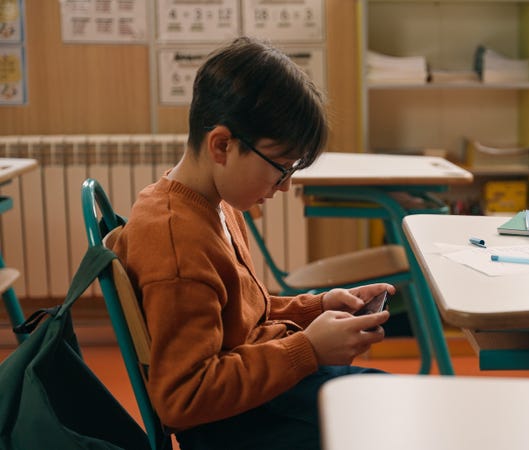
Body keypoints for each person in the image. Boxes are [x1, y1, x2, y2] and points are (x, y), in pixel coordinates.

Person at [111, 36, 393, 450]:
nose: (285, 186)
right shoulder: (178, 243)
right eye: (280, 168)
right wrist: (308, 350)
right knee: (387, 413)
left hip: (257, 393)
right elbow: (183, 398)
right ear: (223, 145)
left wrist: (319, 306)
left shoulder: (214, 205)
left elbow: (242, 316)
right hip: (235, 424)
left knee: (385, 400)